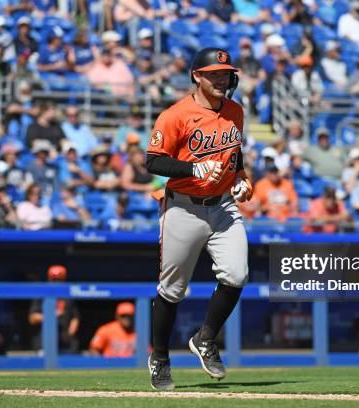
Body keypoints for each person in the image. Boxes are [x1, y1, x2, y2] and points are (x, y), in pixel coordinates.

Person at [145, 48, 252, 390]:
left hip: (222, 205)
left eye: (225, 74)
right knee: (172, 290)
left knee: (237, 274)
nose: (222, 80)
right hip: (183, 206)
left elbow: (234, 154)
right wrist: (193, 167)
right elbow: (153, 162)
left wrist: (242, 177)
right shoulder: (175, 115)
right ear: (197, 76)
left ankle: (205, 339)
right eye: (214, 74)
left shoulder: (235, 110)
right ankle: (159, 358)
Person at [28, 265, 80, 353]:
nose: (56, 282)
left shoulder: (68, 296)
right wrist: (49, 316)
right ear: (49, 279)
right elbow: (32, 318)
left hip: (65, 341)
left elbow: (75, 317)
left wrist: (69, 334)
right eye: (54, 279)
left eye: (59, 279)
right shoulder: (41, 295)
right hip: (44, 340)